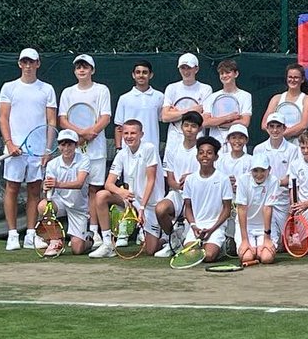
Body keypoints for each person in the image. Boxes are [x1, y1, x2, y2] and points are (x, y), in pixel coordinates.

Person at [0, 48, 57, 251]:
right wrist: (10, 143)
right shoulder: (9, 87)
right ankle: (12, 235)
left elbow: (51, 121)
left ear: (38, 64)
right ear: (20, 64)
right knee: (12, 188)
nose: (28, 66)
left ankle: (31, 234)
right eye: (25, 62)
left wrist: (47, 149)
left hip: (38, 151)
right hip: (14, 149)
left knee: (34, 190)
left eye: (32, 62)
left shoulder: (47, 89)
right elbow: (3, 118)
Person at [57, 53, 112, 247]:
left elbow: (105, 117)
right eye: (78, 67)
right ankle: (78, 231)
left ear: (92, 70)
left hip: (97, 150)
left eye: (85, 67)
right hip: (76, 149)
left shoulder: (102, 90)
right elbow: (63, 119)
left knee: (94, 190)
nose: (82, 70)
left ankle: (94, 231)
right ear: (75, 71)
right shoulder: (67, 93)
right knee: (78, 189)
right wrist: (80, 135)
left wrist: (91, 133)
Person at [90, 118, 162, 258]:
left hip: (150, 205)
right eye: (126, 133)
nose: (129, 136)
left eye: (133, 133)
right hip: (132, 202)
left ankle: (167, 237)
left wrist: (142, 208)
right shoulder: (122, 154)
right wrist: (120, 191)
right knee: (101, 195)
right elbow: (108, 183)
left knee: (151, 250)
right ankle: (108, 244)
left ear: (141, 134)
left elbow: (151, 180)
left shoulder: (149, 149)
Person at [155, 110, 202, 257]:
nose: (189, 129)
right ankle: (173, 240)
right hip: (177, 194)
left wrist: (191, 178)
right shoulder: (173, 149)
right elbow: (170, 178)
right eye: (186, 125)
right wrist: (177, 186)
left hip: (197, 198)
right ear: (181, 127)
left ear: (199, 129)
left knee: (191, 249)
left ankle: (187, 239)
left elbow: (207, 175)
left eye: (193, 126)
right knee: (160, 209)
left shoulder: (203, 150)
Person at [181, 136, 233, 264]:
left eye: (209, 153)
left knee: (208, 256)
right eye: (201, 152)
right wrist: (194, 226)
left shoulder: (223, 179)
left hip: (216, 227)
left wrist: (212, 229)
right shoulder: (190, 180)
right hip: (196, 227)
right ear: (197, 156)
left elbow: (227, 209)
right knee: (190, 256)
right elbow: (188, 207)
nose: (205, 156)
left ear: (216, 157)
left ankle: (221, 245)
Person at [41, 129, 93, 257]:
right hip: (60, 202)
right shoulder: (52, 164)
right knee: (43, 206)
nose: (66, 148)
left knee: (77, 250)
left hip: (78, 207)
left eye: (70, 144)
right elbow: (48, 191)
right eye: (63, 145)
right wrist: (47, 189)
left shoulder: (84, 160)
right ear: (59, 146)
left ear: (76, 145)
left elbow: (79, 183)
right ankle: (55, 241)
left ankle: (89, 239)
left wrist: (57, 184)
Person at [161, 53, 213, 155]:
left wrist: (176, 114)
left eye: (189, 68)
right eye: (182, 68)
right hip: (173, 141)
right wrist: (192, 111)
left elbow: (204, 119)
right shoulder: (171, 88)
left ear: (196, 69)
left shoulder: (206, 89)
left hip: (196, 141)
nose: (185, 71)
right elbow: (165, 117)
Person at [235, 154, 279, 266]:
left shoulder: (273, 181)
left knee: (266, 258)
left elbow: (267, 208)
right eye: (255, 170)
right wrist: (245, 240)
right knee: (247, 257)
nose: (259, 175)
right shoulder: (243, 180)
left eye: (262, 170)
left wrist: (267, 238)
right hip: (246, 226)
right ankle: (251, 247)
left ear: (269, 170)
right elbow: (242, 209)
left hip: (265, 226)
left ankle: (258, 249)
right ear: (250, 170)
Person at [114, 60, 165, 151]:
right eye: (138, 72)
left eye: (145, 72)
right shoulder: (124, 98)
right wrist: (119, 148)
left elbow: (163, 118)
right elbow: (119, 127)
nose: (141, 75)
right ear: (133, 75)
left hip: (152, 148)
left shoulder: (160, 97)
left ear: (151, 75)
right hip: (128, 150)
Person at [201, 58, 252, 147]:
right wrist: (229, 118)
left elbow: (245, 122)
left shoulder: (245, 96)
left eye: (228, 72)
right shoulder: (212, 97)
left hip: (237, 145)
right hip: (215, 143)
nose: (224, 75)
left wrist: (216, 122)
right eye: (221, 73)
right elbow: (205, 123)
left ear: (236, 74)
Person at [261, 62, 308, 143]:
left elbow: (303, 125)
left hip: (298, 144)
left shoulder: (307, 99)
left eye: (296, 77)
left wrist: (281, 134)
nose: (292, 80)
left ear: (302, 79)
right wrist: (277, 134)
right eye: (290, 77)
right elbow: (264, 124)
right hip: (277, 143)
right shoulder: (276, 98)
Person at [253, 111, 299, 188]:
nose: (275, 130)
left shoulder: (293, 149)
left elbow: (291, 177)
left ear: (284, 128)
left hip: (284, 193)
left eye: (278, 126)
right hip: (262, 192)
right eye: (271, 126)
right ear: (267, 128)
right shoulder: (258, 149)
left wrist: (274, 184)